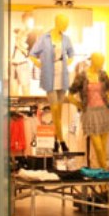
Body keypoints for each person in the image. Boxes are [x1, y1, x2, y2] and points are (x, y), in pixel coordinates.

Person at [29, 13, 75, 153]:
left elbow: (72, 54)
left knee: (59, 112)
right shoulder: (44, 38)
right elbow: (32, 54)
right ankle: (62, 141)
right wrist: (39, 64)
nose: (66, 26)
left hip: (63, 76)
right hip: (49, 77)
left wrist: (67, 62)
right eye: (65, 23)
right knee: (54, 110)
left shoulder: (66, 39)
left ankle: (55, 140)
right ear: (57, 22)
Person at [68, 52, 109, 169]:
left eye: (102, 62)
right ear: (93, 61)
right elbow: (70, 95)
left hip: (104, 112)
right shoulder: (82, 76)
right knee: (98, 147)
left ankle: (103, 174)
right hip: (90, 113)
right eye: (99, 62)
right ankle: (104, 171)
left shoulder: (103, 75)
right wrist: (79, 105)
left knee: (103, 146)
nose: (101, 65)